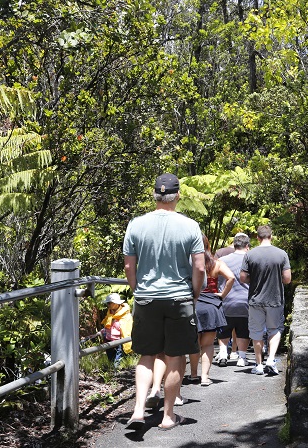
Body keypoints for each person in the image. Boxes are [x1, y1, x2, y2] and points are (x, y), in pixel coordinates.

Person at [123, 173, 205, 431]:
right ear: (177, 196)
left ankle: (138, 409)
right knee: (174, 355)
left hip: (146, 297)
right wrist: (194, 293)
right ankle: (168, 416)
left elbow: (129, 266)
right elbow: (200, 267)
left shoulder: (135, 225)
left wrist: (139, 290)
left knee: (147, 355)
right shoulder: (190, 225)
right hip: (178, 297)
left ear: (155, 195)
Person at [240, 225, 291, 374]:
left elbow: (243, 278)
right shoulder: (281, 254)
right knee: (274, 329)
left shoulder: (250, 255)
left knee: (256, 332)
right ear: (271, 236)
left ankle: (259, 365)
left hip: (255, 300)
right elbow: (287, 279)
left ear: (257, 237)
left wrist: (255, 279)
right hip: (275, 299)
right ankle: (271, 359)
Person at [188, 235, 235, 386]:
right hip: (211, 306)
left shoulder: (190, 264)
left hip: (194, 304)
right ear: (208, 245)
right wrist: (222, 294)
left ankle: (193, 374)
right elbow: (231, 278)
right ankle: (205, 377)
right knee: (207, 344)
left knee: (194, 342)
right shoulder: (217, 263)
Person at [216, 233, 251, 367]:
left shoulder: (223, 260)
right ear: (247, 246)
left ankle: (223, 354)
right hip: (246, 300)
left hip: (226, 299)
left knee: (225, 329)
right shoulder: (250, 259)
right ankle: (241, 357)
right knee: (243, 330)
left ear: (234, 245)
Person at [100, 292, 133, 368]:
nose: (108, 305)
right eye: (107, 303)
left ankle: (116, 376)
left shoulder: (125, 315)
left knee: (117, 363)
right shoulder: (109, 313)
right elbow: (107, 326)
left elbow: (127, 329)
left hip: (119, 342)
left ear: (116, 303)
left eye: (109, 303)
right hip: (108, 340)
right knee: (111, 361)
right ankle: (112, 375)